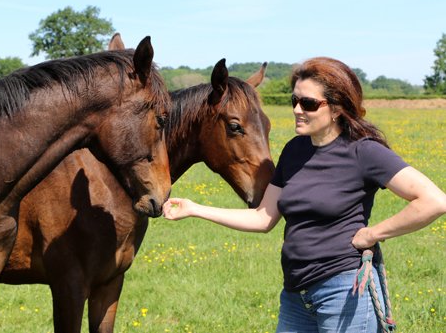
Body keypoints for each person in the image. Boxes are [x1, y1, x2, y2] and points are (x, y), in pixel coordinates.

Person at [163, 57, 446, 333]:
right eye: (294, 101)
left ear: (336, 108)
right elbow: (263, 218)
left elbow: (434, 201)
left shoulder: (364, 151)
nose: (298, 109)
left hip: (344, 291)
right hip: (296, 295)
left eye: (308, 103)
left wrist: (374, 233)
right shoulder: (294, 150)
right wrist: (195, 208)